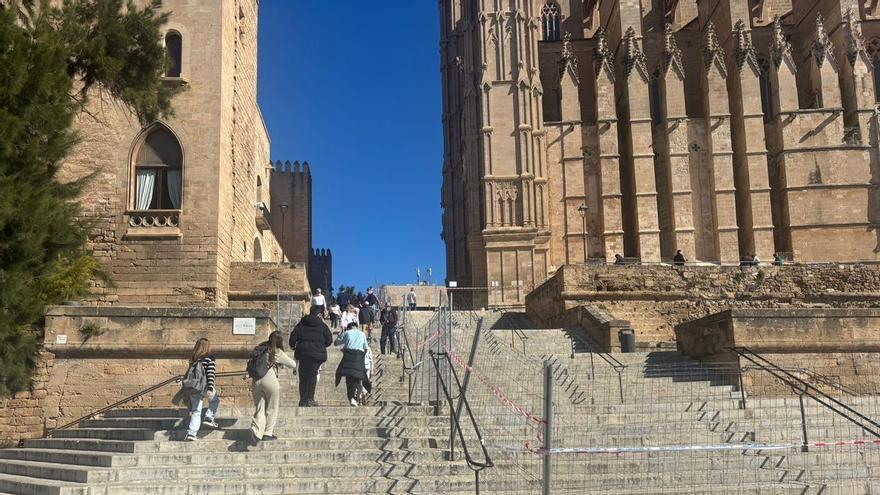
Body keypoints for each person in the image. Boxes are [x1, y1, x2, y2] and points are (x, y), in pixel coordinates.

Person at [248, 331, 297, 445]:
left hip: (256, 380)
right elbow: (293, 364)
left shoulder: (259, 349)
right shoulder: (277, 352)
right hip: (270, 380)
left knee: (260, 407)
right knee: (272, 408)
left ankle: (256, 431)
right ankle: (267, 433)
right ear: (280, 341)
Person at [289, 306, 333, 406]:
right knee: (312, 375)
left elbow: (293, 337)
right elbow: (329, 340)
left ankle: (303, 399)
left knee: (303, 376)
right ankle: (310, 399)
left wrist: (293, 345)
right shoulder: (322, 325)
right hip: (317, 354)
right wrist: (321, 345)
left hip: (303, 353)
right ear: (319, 314)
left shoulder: (302, 323)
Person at [184, 338, 219, 441]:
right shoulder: (209, 358)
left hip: (194, 387)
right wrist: (210, 387)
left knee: (196, 411)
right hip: (205, 386)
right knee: (215, 401)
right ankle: (209, 417)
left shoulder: (194, 359)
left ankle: (191, 433)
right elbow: (210, 373)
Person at [335, 322, 372, 407]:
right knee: (357, 378)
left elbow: (336, 343)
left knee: (349, 378)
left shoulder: (347, 333)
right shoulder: (362, 334)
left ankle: (352, 398)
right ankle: (355, 397)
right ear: (356, 326)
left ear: (349, 327)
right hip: (359, 356)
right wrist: (361, 357)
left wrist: (339, 336)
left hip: (348, 356)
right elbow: (366, 348)